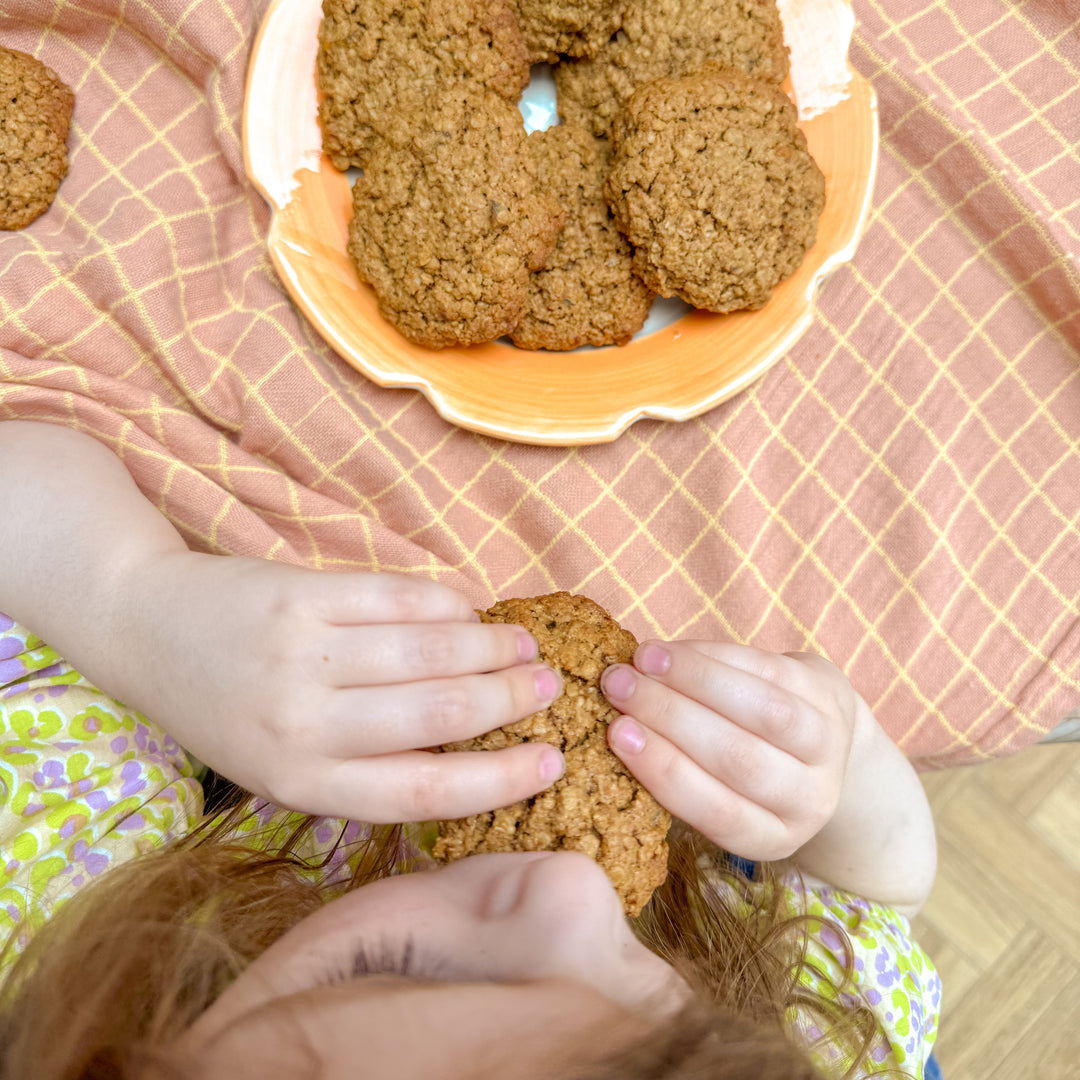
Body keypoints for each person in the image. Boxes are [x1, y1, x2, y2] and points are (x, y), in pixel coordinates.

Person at [0, 419, 940, 1079]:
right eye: (681, 1009)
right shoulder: (826, 1042)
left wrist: (133, 601)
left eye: (389, 971)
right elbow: (889, 884)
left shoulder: (59, 913)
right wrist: (846, 768)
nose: (572, 892)